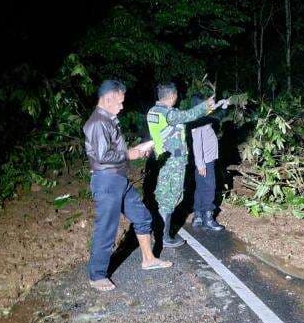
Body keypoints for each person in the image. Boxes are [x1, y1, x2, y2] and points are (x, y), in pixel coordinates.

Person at [83, 79, 172, 292]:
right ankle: (97, 276)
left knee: (142, 217)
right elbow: (102, 157)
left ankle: (148, 259)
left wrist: (138, 149)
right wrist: (130, 154)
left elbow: (113, 151)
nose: (123, 106)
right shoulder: (97, 122)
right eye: (120, 102)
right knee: (106, 229)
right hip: (106, 181)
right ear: (108, 98)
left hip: (119, 179)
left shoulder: (109, 119)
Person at [146, 83, 219, 247]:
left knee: (163, 195)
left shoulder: (153, 111)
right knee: (170, 197)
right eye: (176, 95)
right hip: (173, 162)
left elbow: (180, 117)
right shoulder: (168, 114)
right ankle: (164, 238)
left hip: (161, 159)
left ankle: (157, 232)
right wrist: (206, 105)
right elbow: (187, 116)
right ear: (172, 96)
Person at [190, 94, 226, 231]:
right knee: (209, 189)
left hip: (204, 161)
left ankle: (198, 216)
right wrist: (200, 164)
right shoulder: (199, 122)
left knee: (200, 189)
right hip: (205, 162)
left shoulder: (200, 118)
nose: (208, 105)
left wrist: (223, 104)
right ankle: (208, 219)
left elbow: (215, 113)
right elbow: (197, 144)